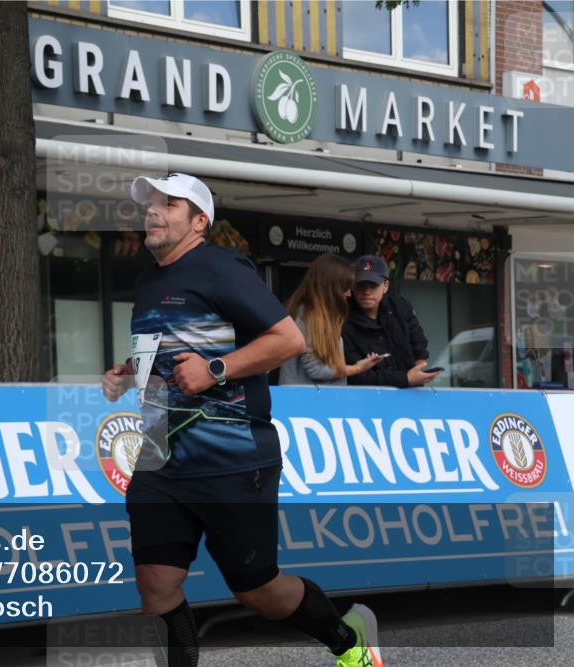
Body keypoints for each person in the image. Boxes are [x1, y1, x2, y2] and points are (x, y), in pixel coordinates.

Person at [102, 173, 383, 667]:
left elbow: (288, 341)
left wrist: (215, 369)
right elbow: (166, 350)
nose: (153, 212)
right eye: (151, 204)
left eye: (169, 205)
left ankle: (349, 640)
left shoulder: (221, 268)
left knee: (258, 591)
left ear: (199, 222)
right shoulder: (148, 281)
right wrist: (128, 373)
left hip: (231, 458)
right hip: (160, 456)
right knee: (156, 582)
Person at [279, 254, 383, 385]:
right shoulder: (306, 316)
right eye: (344, 287)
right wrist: (358, 368)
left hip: (319, 400)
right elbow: (316, 371)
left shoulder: (318, 315)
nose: (348, 294)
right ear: (330, 288)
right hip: (307, 402)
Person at [343, 255, 441, 388]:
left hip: (411, 394)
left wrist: (418, 372)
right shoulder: (343, 320)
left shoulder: (401, 306)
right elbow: (355, 376)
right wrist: (406, 378)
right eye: (361, 285)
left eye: (373, 285)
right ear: (352, 287)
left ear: (386, 286)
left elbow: (419, 347)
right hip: (368, 399)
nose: (366, 291)